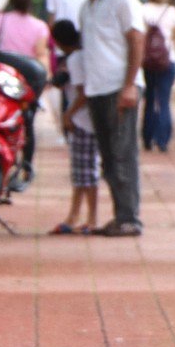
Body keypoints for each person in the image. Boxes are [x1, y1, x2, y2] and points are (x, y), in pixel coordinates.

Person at [73, 0, 146, 237]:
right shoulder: (86, 7)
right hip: (97, 90)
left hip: (119, 88)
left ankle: (129, 218)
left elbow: (137, 39)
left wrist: (129, 85)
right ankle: (120, 216)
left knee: (122, 154)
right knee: (108, 157)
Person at [0, 0, 50, 185]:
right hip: (25, 83)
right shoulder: (39, 26)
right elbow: (41, 54)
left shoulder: (0, 20)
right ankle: (27, 167)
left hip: (1, 80)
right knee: (26, 121)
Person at [48, 20, 99, 235]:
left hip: (83, 121)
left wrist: (68, 115)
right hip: (84, 121)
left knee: (87, 173)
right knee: (79, 173)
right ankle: (74, 215)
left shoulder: (76, 59)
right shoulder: (79, 56)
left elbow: (83, 93)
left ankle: (92, 218)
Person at [141, 0, 175, 152]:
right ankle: (163, 140)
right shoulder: (172, 12)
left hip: (148, 62)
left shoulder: (142, 10)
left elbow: (140, 37)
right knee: (164, 100)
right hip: (168, 61)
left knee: (149, 99)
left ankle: (147, 137)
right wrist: (169, 48)